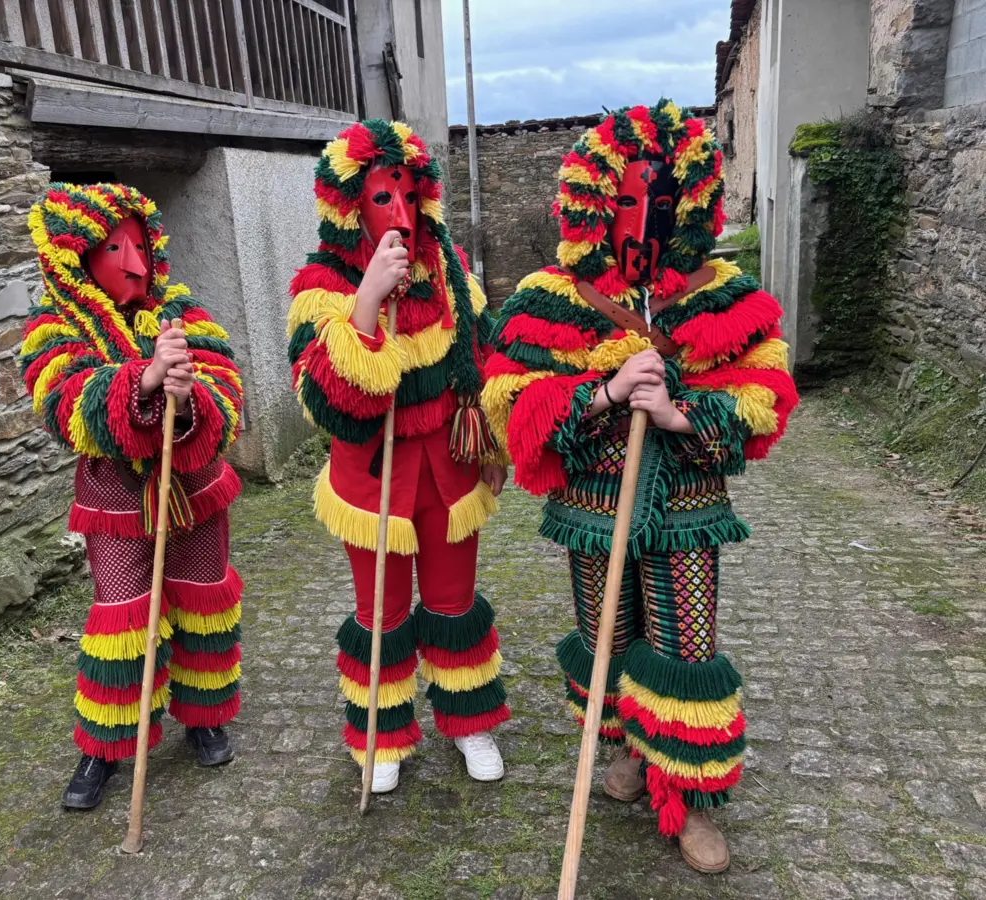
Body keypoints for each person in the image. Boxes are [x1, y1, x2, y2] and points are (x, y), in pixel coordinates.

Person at [483, 101, 798, 873]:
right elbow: (508, 406)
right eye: (625, 198)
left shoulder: (723, 293)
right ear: (593, 202)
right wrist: (606, 393)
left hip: (688, 515)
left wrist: (679, 412)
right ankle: (628, 752)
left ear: (689, 201)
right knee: (606, 642)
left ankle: (682, 794)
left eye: (660, 197)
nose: (643, 214)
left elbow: (766, 395)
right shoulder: (550, 295)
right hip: (593, 514)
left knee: (686, 649)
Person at [287, 120, 510, 793]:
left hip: (449, 470)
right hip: (372, 478)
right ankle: (381, 733)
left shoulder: (449, 270)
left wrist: (492, 441)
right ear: (351, 204)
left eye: (410, 197)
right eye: (385, 198)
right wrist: (366, 305)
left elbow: (483, 359)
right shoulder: (320, 283)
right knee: (379, 610)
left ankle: (467, 720)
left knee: (452, 600)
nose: (402, 215)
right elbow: (324, 402)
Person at [20, 182, 244, 809]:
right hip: (117, 503)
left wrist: (188, 392)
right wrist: (140, 382)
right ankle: (108, 746)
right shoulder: (52, 328)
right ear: (76, 256)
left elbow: (227, 386)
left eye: (139, 245)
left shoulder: (182, 313)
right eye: (114, 247)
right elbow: (63, 405)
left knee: (202, 600)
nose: (135, 263)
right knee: (122, 619)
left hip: (194, 493)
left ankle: (204, 716)